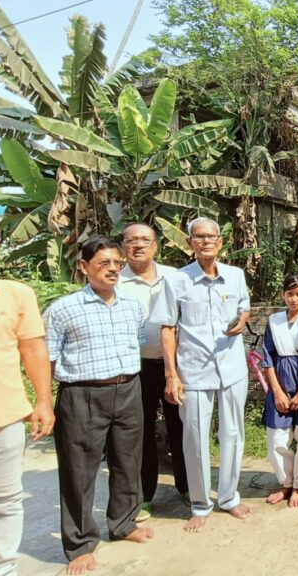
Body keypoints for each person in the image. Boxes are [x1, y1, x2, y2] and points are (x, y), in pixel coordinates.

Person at [45, 235, 154, 575]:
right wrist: (46, 404)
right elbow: (48, 358)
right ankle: (79, 544)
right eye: (103, 263)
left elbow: (135, 342)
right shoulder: (62, 309)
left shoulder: (132, 305)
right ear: (83, 267)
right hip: (82, 394)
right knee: (79, 471)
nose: (112, 269)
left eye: (116, 264)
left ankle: (123, 523)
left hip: (128, 389)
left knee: (128, 461)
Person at [151, 217, 252, 533]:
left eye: (211, 236)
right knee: (194, 438)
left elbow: (245, 307)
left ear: (221, 242)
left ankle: (229, 497)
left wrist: (243, 319)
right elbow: (167, 328)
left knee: (233, 433)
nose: (206, 241)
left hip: (232, 366)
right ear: (189, 243)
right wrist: (171, 374)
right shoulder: (176, 281)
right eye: (199, 237)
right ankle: (199, 504)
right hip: (194, 369)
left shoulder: (235, 276)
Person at [0, 208, 54, 576]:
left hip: (1, 418)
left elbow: (34, 350)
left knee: (4, 502)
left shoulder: (16, 293)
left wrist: (43, 401)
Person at [117, 223, 188, 520]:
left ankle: (187, 487)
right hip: (137, 366)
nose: (138, 245)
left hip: (177, 363)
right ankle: (144, 495)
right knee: (140, 429)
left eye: (145, 240)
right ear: (123, 246)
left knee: (182, 425)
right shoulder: (116, 280)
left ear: (156, 246)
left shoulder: (175, 276)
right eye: (131, 240)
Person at [261, 274, 298, 508]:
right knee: (277, 436)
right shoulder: (273, 321)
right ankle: (285, 483)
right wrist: (277, 391)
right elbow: (268, 358)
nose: (294, 299)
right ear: (283, 295)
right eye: (289, 294)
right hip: (280, 384)